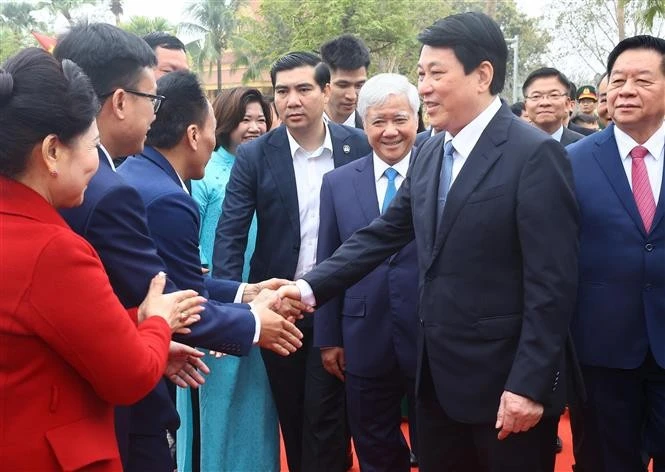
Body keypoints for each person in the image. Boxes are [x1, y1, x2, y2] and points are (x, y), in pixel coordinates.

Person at [291, 12, 580, 471]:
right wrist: (306, 289)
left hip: (503, 388)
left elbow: (553, 283)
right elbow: (383, 233)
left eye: (435, 74)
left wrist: (528, 385)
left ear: (482, 75)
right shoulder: (429, 149)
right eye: (421, 74)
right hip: (435, 385)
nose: (423, 87)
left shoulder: (534, 154)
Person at [54, 23, 299, 471]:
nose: (155, 115)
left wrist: (242, 293)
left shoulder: (120, 177)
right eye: (153, 100)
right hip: (117, 397)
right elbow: (170, 297)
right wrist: (253, 323)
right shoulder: (122, 191)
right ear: (122, 102)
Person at [0, 47, 206, 471]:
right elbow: (129, 377)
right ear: (53, 151)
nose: (98, 164)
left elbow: (47, 330)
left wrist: (133, 330)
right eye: (92, 145)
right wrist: (156, 323)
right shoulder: (53, 250)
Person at [213, 52, 371, 472]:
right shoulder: (256, 156)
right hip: (281, 306)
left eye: (303, 89)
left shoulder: (356, 147)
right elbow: (231, 231)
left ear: (324, 91)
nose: (292, 100)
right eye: (282, 91)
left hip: (340, 302)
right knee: (293, 412)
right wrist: (230, 311)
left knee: (326, 415)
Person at [567, 34, 665, 472]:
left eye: (642, 80)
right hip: (601, 349)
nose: (624, 90)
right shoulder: (572, 161)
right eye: (617, 79)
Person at [314, 72, 420, 471]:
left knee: (440, 441)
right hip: (361, 333)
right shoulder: (338, 183)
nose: (390, 131)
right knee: (373, 441)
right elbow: (329, 259)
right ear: (363, 124)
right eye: (378, 121)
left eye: (400, 119)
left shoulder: (440, 173)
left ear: (416, 119)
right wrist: (328, 336)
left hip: (430, 332)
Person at [184, 86, 279, 471]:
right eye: (245, 119)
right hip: (217, 306)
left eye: (260, 118)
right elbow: (193, 247)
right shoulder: (205, 171)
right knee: (217, 403)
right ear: (223, 124)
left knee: (256, 403)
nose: (254, 127)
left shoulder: (264, 167)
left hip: (258, 305)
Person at [523, 67, 585, 145]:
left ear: (567, 104)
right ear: (526, 106)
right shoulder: (511, 144)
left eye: (554, 95)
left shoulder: (583, 145)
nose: (544, 103)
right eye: (536, 96)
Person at [320, 34, 370, 128]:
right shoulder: (296, 130)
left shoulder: (372, 134)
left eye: (359, 86)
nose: (352, 96)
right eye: (342, 85)